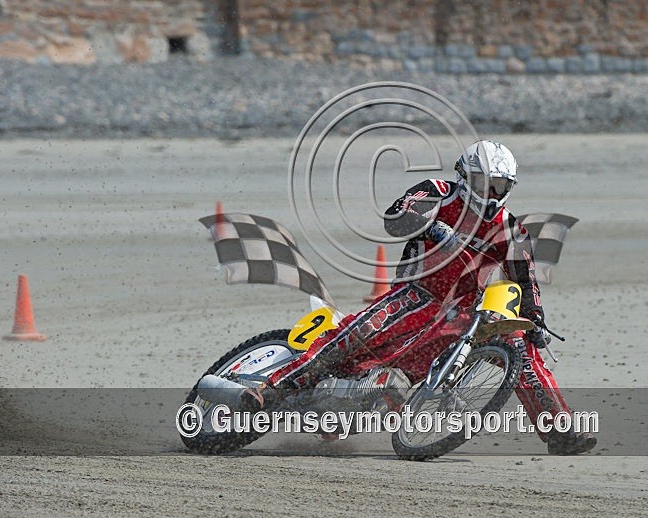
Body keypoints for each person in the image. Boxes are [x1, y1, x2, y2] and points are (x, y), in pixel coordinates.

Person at [254, 140, 595, 455]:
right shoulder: (438, 192)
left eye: (500, 187)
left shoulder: (511, 230)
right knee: (355, 336)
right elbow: (396, 215)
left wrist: (536, 319)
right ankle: (271, 390)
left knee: (521, 344)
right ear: (464, 177)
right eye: (483, 184)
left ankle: (560, 430)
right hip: (415, 293)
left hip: (463, 311)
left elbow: (526, 281)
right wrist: (431, 227)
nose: (490, 194)